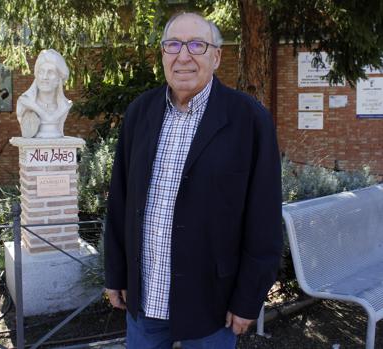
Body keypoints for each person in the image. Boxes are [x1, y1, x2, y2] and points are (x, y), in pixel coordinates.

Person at [104, 12, 283, 349]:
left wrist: (248, 300)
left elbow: (264, 222)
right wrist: (116, 274)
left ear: (216, 56)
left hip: (213, 305)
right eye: (173, 44)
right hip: (146, 299)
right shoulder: (139, 113)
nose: (183, 55)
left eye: (197, 45)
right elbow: (120, 202)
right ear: (162, 54)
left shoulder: (249, 120)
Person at [16, 49, 72, 138]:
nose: (44, 77)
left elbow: (50, 118)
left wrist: (36, 108)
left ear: (59, 79)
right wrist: (33, 106)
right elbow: (50, 118)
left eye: (50, 72)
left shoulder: (65, 105)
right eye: (41, 72)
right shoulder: (24, 102)